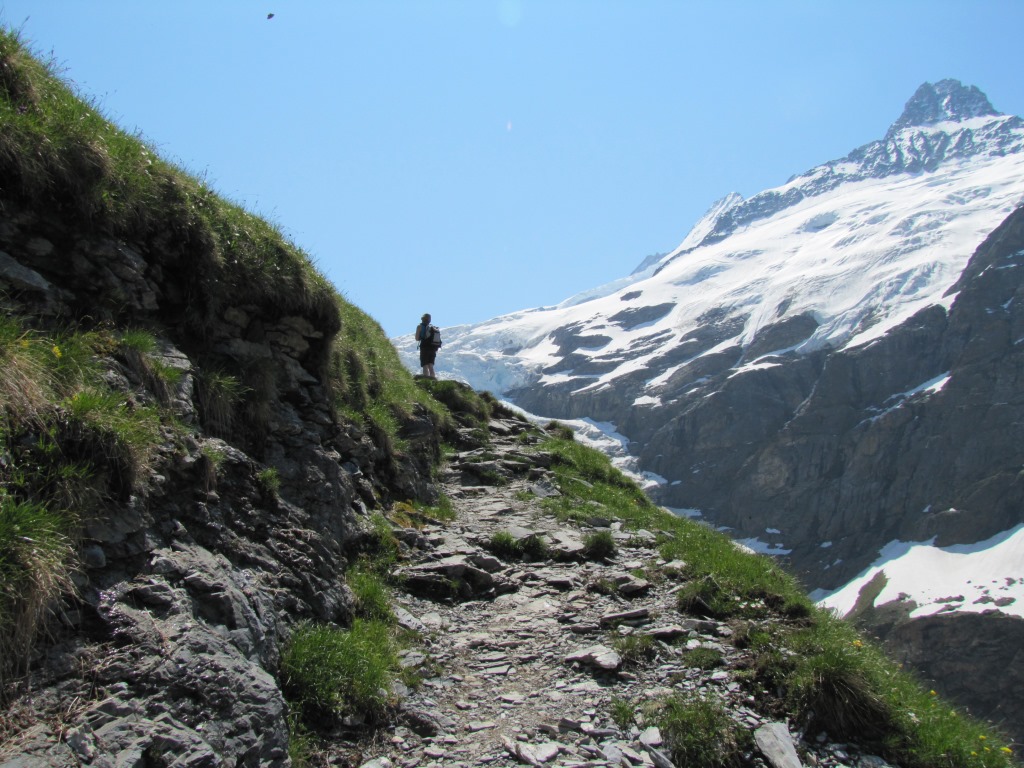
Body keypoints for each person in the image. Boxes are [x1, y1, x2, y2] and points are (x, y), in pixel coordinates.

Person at [415, 313, 440, 379]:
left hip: (424, 347)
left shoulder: (420, 326)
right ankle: (433, 380)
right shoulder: (432, 328)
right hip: (433, 348)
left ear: (422, 319)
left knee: (425, 364)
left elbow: (417, 338)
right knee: (430, 365)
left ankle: (426, 380)